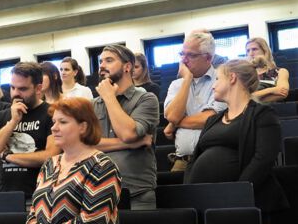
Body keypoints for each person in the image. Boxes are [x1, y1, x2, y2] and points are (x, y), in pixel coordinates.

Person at [186, 60, 288, 214]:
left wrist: (237, 193)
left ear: (232, 78)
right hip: (202, 203)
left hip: (241, 204)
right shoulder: (213, 120)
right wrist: (189, 191)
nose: (213, 85)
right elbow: (194, 159)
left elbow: (263, 158)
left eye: (218, 79)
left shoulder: (263, 114)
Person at [27, 97, 121, 224]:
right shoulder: (49, 165)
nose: (54, 128)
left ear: (83, 127)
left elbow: (92, 221)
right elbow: (33, 212)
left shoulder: (102, 166)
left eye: (63, 122)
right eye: (54, 122)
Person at [92, 44, 159, 209]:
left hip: (136, 193)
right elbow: (86, 144)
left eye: (109, 60)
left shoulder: (146, 99)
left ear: (127, 66)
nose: (102, 65)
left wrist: (109, 97)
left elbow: (128, 133)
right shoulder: (93, 104)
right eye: (101, 61)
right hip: (98, 193)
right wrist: (129, 144)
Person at [0, 62, 61, 197]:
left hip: (42, 194)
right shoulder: (3, 116)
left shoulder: (52, 113)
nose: (16, 93)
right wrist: (12, 122)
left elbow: (50, 156)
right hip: (8, 194)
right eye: (13, 87)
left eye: (22, 89)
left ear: (38, 88)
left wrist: (8, 156)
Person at [164, 32, 227, 172]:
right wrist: (187, 79)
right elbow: (173, 116)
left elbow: (210, 119)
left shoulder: (222, 80)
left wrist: (175, 123)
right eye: (182, 54)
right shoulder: (176, 85)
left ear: (208, 58)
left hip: (214, 160)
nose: (184, 60)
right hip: (182, 161)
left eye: (191, 55)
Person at [246, 37, 290, 103]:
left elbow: (283, 93)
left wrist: (251, 98)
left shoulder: (280, 72)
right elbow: (241, 98)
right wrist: (272, 90)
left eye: (254, 49)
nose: (251, 54)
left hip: (272, 110)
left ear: (265, 51)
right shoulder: (244, 74)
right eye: (248, 51)